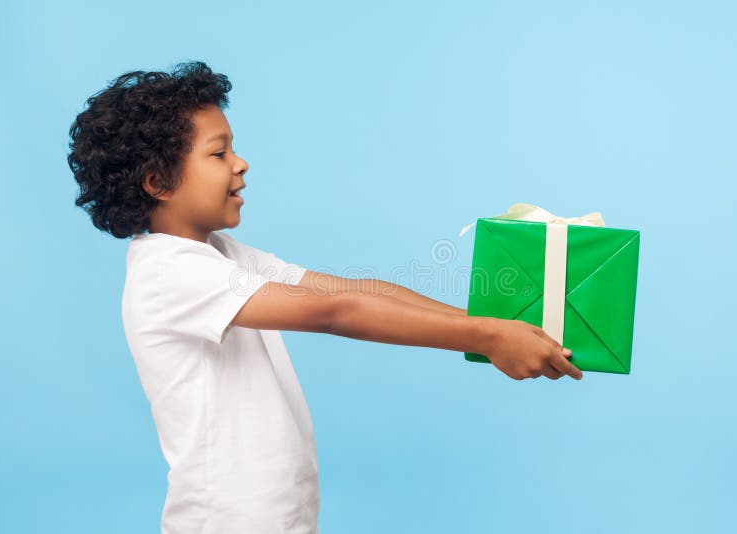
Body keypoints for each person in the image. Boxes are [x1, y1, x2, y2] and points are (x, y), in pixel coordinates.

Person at [68, 60, 581, 534]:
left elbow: (353, 289)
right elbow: (336, 312)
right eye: (219, 152)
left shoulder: (222, 255)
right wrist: (488, 336)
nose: (241, 163)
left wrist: (496, 328)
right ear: (159, 182)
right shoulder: (167, 273)